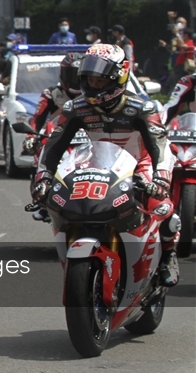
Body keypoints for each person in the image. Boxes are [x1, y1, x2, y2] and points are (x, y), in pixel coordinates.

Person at [31, 44, 179, 286]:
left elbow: (159, 146)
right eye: (89, 79)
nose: (93, 85)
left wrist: (160, 180)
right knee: (66, 204)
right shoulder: (74, 108)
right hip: (95, 162)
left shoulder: (143, 107)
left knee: (164, 209)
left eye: (100, 80)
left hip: (138, 165)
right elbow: (54, 148)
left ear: (119, 76)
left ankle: (168, 257)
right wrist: (44, 179)